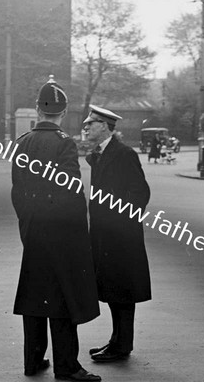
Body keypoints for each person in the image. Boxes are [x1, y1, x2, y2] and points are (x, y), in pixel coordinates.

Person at [11, 76, 101, 382]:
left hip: (33, 232)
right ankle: (67, 366)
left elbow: (18, 193)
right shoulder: (64, 144)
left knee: (34, 296)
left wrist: (28, 227)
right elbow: (73, 193)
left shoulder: (22, 143)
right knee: (62, 299)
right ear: (62, 113)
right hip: (61, 234)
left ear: (38, 109)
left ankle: (33, 360)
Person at [83, 104, 152, 363]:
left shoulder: (122, 154)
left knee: (121, 291)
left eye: (91, 122)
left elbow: (140, 193)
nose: (86, 126)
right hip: (106, 236)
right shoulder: (101, 153)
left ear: (105, 126)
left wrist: (119, 222)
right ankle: (117, 340)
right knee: (114, 290)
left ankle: (122, 345)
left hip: (120, 237)